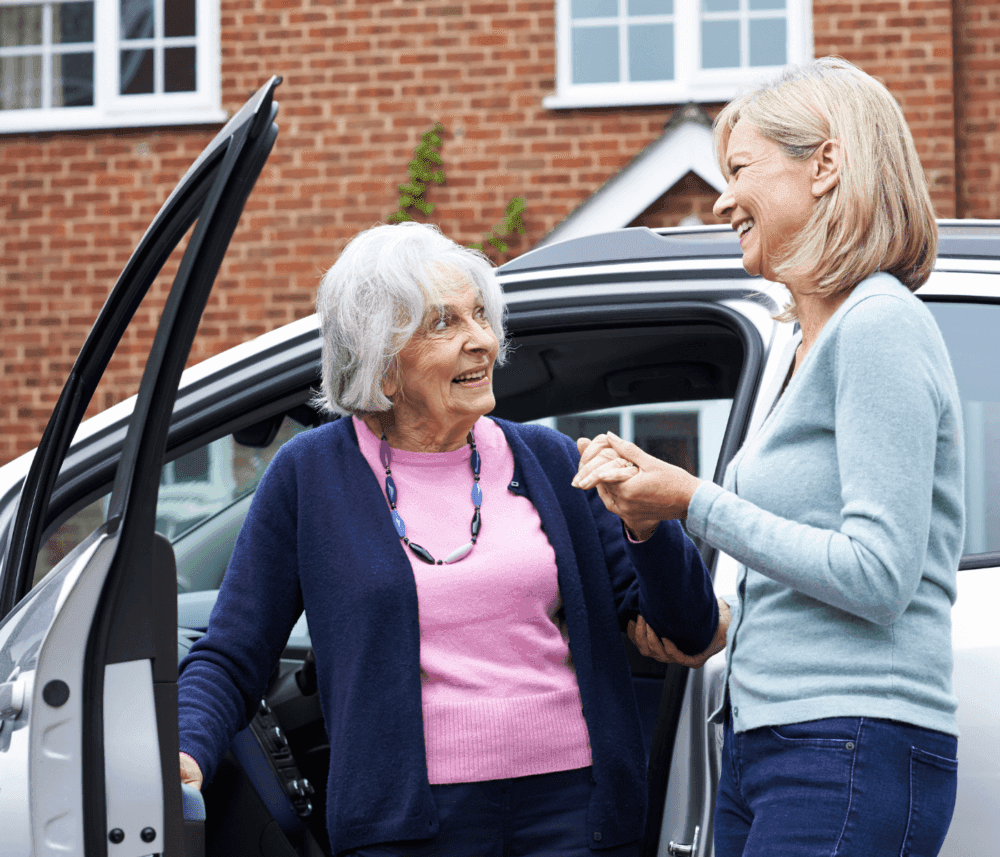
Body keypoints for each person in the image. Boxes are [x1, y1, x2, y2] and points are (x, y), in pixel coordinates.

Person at [177, 221, 721, 856]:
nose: (482, 341)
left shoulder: (548, 460)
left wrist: (648, 527)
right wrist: (186, 748)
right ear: (380, 357)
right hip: (405, 826)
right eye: (444, 324)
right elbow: (235, 651)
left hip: (575, 810)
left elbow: (685, 629)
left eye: (480, 316)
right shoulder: (309, 476)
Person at [573, 57, 964, 856]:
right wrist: (720, 616)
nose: (720, 200)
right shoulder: (802, 344)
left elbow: (879, 574)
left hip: (846, 741)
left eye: (740, 169)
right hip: (775, 742)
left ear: (825, 164)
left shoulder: (878, 325)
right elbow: (809, 567)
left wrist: (693, 500)